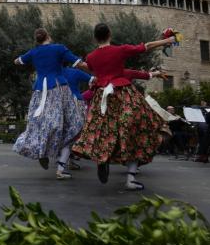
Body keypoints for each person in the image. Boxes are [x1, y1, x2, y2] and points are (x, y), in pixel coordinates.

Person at [72, 22, 176, 190]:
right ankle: (130, 179)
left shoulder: (90, 56)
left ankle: (102, 158)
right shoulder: (119, 50)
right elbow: (146, 46)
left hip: (101, 97)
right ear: (110, 34)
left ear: (94, 37)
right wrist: (166, 41)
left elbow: (90, 69)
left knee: (102, 130)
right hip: (123, 94)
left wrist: (75, 62)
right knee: (139, 129)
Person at [13, 28, 89, 180]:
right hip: (58, 89)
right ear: (48, 36)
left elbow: (17, 61)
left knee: (40, 124)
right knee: (73, 124)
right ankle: (61, 168)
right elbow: (79, 63)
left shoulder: (33, 52)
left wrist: (29, 60)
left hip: (39, 91)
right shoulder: (59, 48)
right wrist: (95, 66)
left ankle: (42, 151)